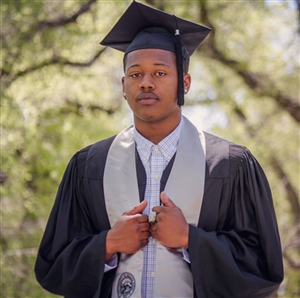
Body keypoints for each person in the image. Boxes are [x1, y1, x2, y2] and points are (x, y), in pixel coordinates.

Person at [34, 1, 284, 297]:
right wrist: (108, 245)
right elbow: (53, 265)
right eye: (136, 74)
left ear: (185, 83)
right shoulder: (88, 166)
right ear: (123, 85)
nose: (146, 84)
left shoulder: (230, 165)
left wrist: (192, 240)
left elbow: (262, 268)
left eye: (160, 73)